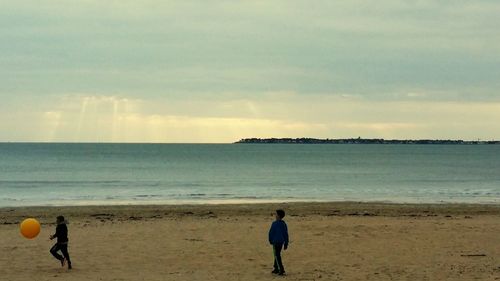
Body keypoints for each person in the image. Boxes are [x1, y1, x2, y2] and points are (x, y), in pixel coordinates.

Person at [268, 209, 289, 275]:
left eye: (276, 214)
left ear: (278, 216)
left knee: (277, 255)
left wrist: (270, 240)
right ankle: (276, 268)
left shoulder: (274, 224)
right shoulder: (283, 224)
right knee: (276, 255)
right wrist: (286, 243)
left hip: (276, 242)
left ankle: (281, 269)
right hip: (281, 242)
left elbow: (271, 233)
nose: (275, 215)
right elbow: (285, 234)